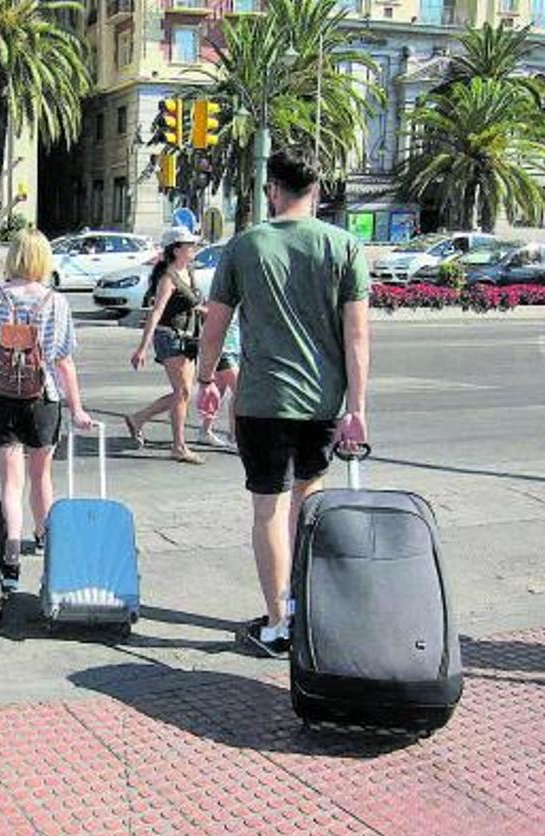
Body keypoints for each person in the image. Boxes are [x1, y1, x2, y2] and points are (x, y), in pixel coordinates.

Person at [196, 149, 370, 659]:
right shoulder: (344, 246)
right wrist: (356, 407)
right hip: (322, 403)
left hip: (261, 401)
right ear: (315, 191)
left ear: (273, 189)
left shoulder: (245, 246)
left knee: (267, 510)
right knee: (308, 504)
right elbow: (357, 337)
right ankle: (307, 609)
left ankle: (277, 623)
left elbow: (215, 325)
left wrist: (206, 379)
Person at [0, 226, 94, 591]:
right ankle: (47, 545)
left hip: (4, 401)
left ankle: (12, 561)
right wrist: (77, 409)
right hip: (43, 401)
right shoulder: (56, 302)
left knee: (10, 484)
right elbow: (64, 362)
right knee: (42, 478)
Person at [123, 226, 206, 465]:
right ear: (176, 249)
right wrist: (142, 348)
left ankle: (138, 418)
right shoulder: (167, 278)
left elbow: (190, 303)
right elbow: (156, 312)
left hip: (189, 337)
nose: (194, 248)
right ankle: (178, 446)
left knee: (184, 392)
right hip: (170, 337)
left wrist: (206, 311)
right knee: (182, 392)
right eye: (189, 245)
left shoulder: (188, 271)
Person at [198, 266, 241, 449]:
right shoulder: (223, 290)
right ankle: (235, 437)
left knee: (219, 391)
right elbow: (208, 312)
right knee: (240, 391)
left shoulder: (243, 291)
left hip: (235, 346)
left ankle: (205, 431)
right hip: (224, 348)